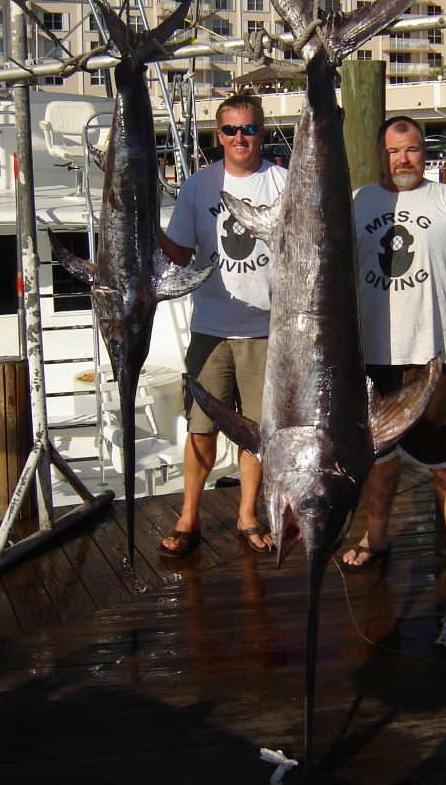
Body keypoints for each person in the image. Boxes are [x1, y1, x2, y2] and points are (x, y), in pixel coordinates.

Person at [342, 115, 446, 578]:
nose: (403, 158)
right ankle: (376, 537)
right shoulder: (356, 203)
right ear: (380, 154)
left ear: (425, 153)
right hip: (371, 356)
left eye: (413, 149)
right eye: (395, 150)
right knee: (378, 461)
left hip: (434, 357)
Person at [159, 92, 287, 557]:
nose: (240, 138)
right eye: (231, 130)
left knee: (254, 431)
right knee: (201, 428)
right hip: (210, 327)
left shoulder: (284, 182)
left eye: (249, 129)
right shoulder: (198, 186)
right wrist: (149, 229)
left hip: (268, 331)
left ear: (261, 133)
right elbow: (180, 253)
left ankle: (248, 514)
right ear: (219, 136)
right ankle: (189, 515)